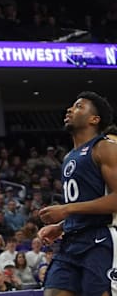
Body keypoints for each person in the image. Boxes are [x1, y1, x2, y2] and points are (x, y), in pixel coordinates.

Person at [38, 91, 117, 296]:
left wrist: (66, 210)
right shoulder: (69, 156)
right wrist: (62, 226)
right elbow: (87, 203)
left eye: (79, 106)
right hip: (72, 240)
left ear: (94, 119)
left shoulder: (105, 147)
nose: (70, 109)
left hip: (101, 238)